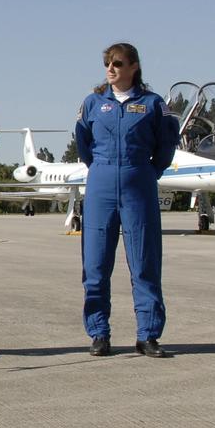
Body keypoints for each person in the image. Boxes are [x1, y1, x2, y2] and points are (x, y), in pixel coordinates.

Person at [74, 42, 179, 358]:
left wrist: (145, 171)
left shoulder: (152, 104)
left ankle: (147, 335)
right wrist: (105, 169)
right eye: (107, 62)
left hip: (138, 183)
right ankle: (99, 333)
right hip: (101, 184)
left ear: (134, 67)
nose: (111, 68)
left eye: (117, 63)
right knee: (95, 265)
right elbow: (83, 144)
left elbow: (166, 146)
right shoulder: (93, 103)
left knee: (145, 262)